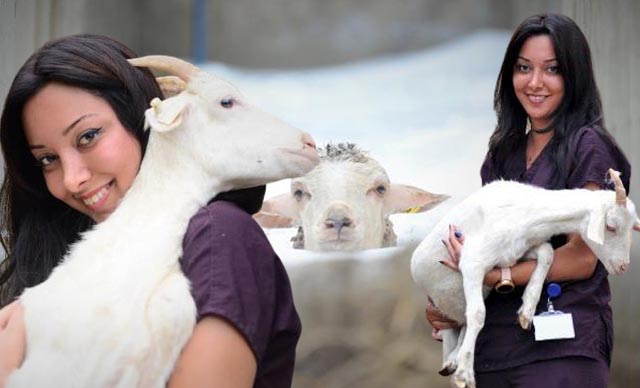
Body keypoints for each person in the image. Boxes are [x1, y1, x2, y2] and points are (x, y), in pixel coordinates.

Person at [0, 34, 300, 387]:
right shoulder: (83, 263)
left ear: (149, 118)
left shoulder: (217, 234)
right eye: (48, 160)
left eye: (88, 136)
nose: (71, 180)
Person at [427, 13, 631, 388]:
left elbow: (585, 256)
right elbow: (486, 246)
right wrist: (451, 301)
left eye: (551, 70)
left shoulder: (589, 147)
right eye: (523, 68)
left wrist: (497, 275)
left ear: (574, 76)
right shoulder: (502, 154)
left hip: (560, 352)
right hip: (494, 352)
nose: (535, 83)